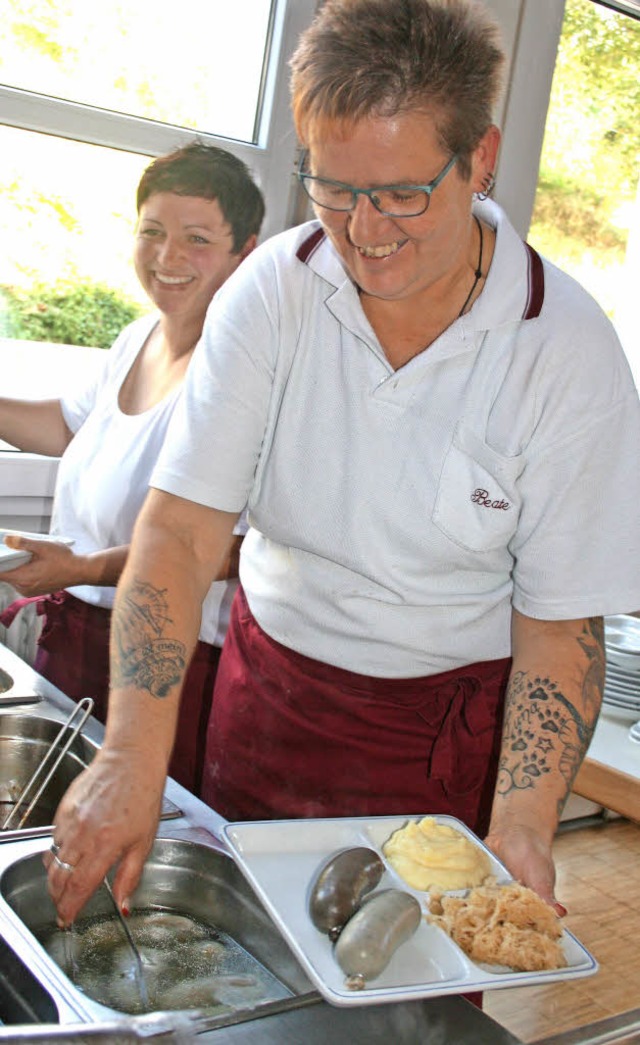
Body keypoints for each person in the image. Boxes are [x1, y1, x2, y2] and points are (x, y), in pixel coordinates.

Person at [47, 0, 640, 931]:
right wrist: (132, 750)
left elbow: (561, 632)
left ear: (480, 159)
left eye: (403, 192)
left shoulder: (562, 351)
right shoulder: (274, 291)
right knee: (237, 965)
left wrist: (522, 822)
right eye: (332, 187)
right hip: (266, 696)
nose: (364, 232)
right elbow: (181, 530)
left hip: (441, 742)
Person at [0, 141, 264, 795]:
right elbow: (69, 424)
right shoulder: (136, 338)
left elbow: (229, 550)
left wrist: (86, 567)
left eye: (197, 239)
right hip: (71, 635)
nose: (167, 257)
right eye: (152, 230)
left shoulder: (243, 377)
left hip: (162, 661)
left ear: (247, 253)